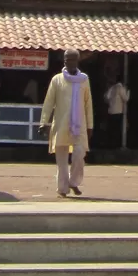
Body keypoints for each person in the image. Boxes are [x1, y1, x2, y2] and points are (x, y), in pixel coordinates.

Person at [41, 49, 93, 196]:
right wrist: (44, 122)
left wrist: (90, 125)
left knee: (79, 153)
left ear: (77, 61)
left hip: (79, 125)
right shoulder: (57, 80)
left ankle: (73, 182)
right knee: (62, 160)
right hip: (60, 125)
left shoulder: (84, 79)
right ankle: (63, 188)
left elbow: (88, 104)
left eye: (71, 60)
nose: (68, 62)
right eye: (66, 60)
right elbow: (49, 102)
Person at [104, 76, 129, 148]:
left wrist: (111, 102)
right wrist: (128, 92)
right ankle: (116, 145)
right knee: (117, 129)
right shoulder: (121, 88)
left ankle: (110, 144)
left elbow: (106, 97)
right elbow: (125, 99)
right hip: (118, 111)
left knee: (111, 129)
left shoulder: (112, 88)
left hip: (111, 111)